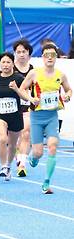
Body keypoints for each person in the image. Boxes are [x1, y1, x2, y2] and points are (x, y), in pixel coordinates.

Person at [18, 44, 72, 194]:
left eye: (52, 54)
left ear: (56, 57)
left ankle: (46, 182)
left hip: (52, 117)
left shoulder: (60, 75)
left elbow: (68, 89)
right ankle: (33, 159)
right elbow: (22, 89)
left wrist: (68, 96)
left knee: (53, 146)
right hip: (36, 117)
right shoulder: (34, 74)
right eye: (46, 54)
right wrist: (31, 98)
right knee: (38, 153)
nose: (49, 57)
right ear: (42, 57)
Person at [0, 52, 24, 180]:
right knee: (2, 138)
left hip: (15, 115)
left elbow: (24, 95)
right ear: (0, 63)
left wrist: (17, 89)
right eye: (3, 62)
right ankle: (3, 166)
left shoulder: (18, 78)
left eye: (8, 62)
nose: (5, 65)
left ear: (13, 63)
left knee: (12, 144)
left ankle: (8, 166)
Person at [12, 39, 34, 177]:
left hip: (27, 107)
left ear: (29, 54)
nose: (21, 54)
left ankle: (22, 164)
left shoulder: (34, 71)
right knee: (13, 137)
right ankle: (16, 154)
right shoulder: (9, 68)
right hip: (11, 108)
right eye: (18, 52)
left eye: (24, 52)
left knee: (26, 133)